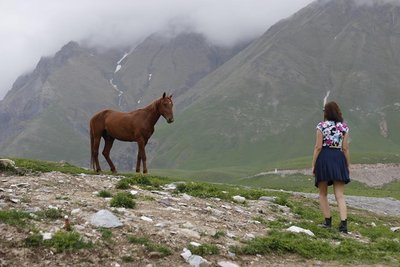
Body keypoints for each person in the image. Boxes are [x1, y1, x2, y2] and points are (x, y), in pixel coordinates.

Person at [312, 101, 350, 233]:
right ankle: (344, 225)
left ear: (326, 113)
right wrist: (347, 164)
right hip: (338, 158)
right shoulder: (344, 127)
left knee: (323, 193)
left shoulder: (321, 126)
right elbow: (345, 148)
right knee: (340, 195)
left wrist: (313, 165)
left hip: (324, 157)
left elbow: (318, 147)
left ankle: (327, 222)